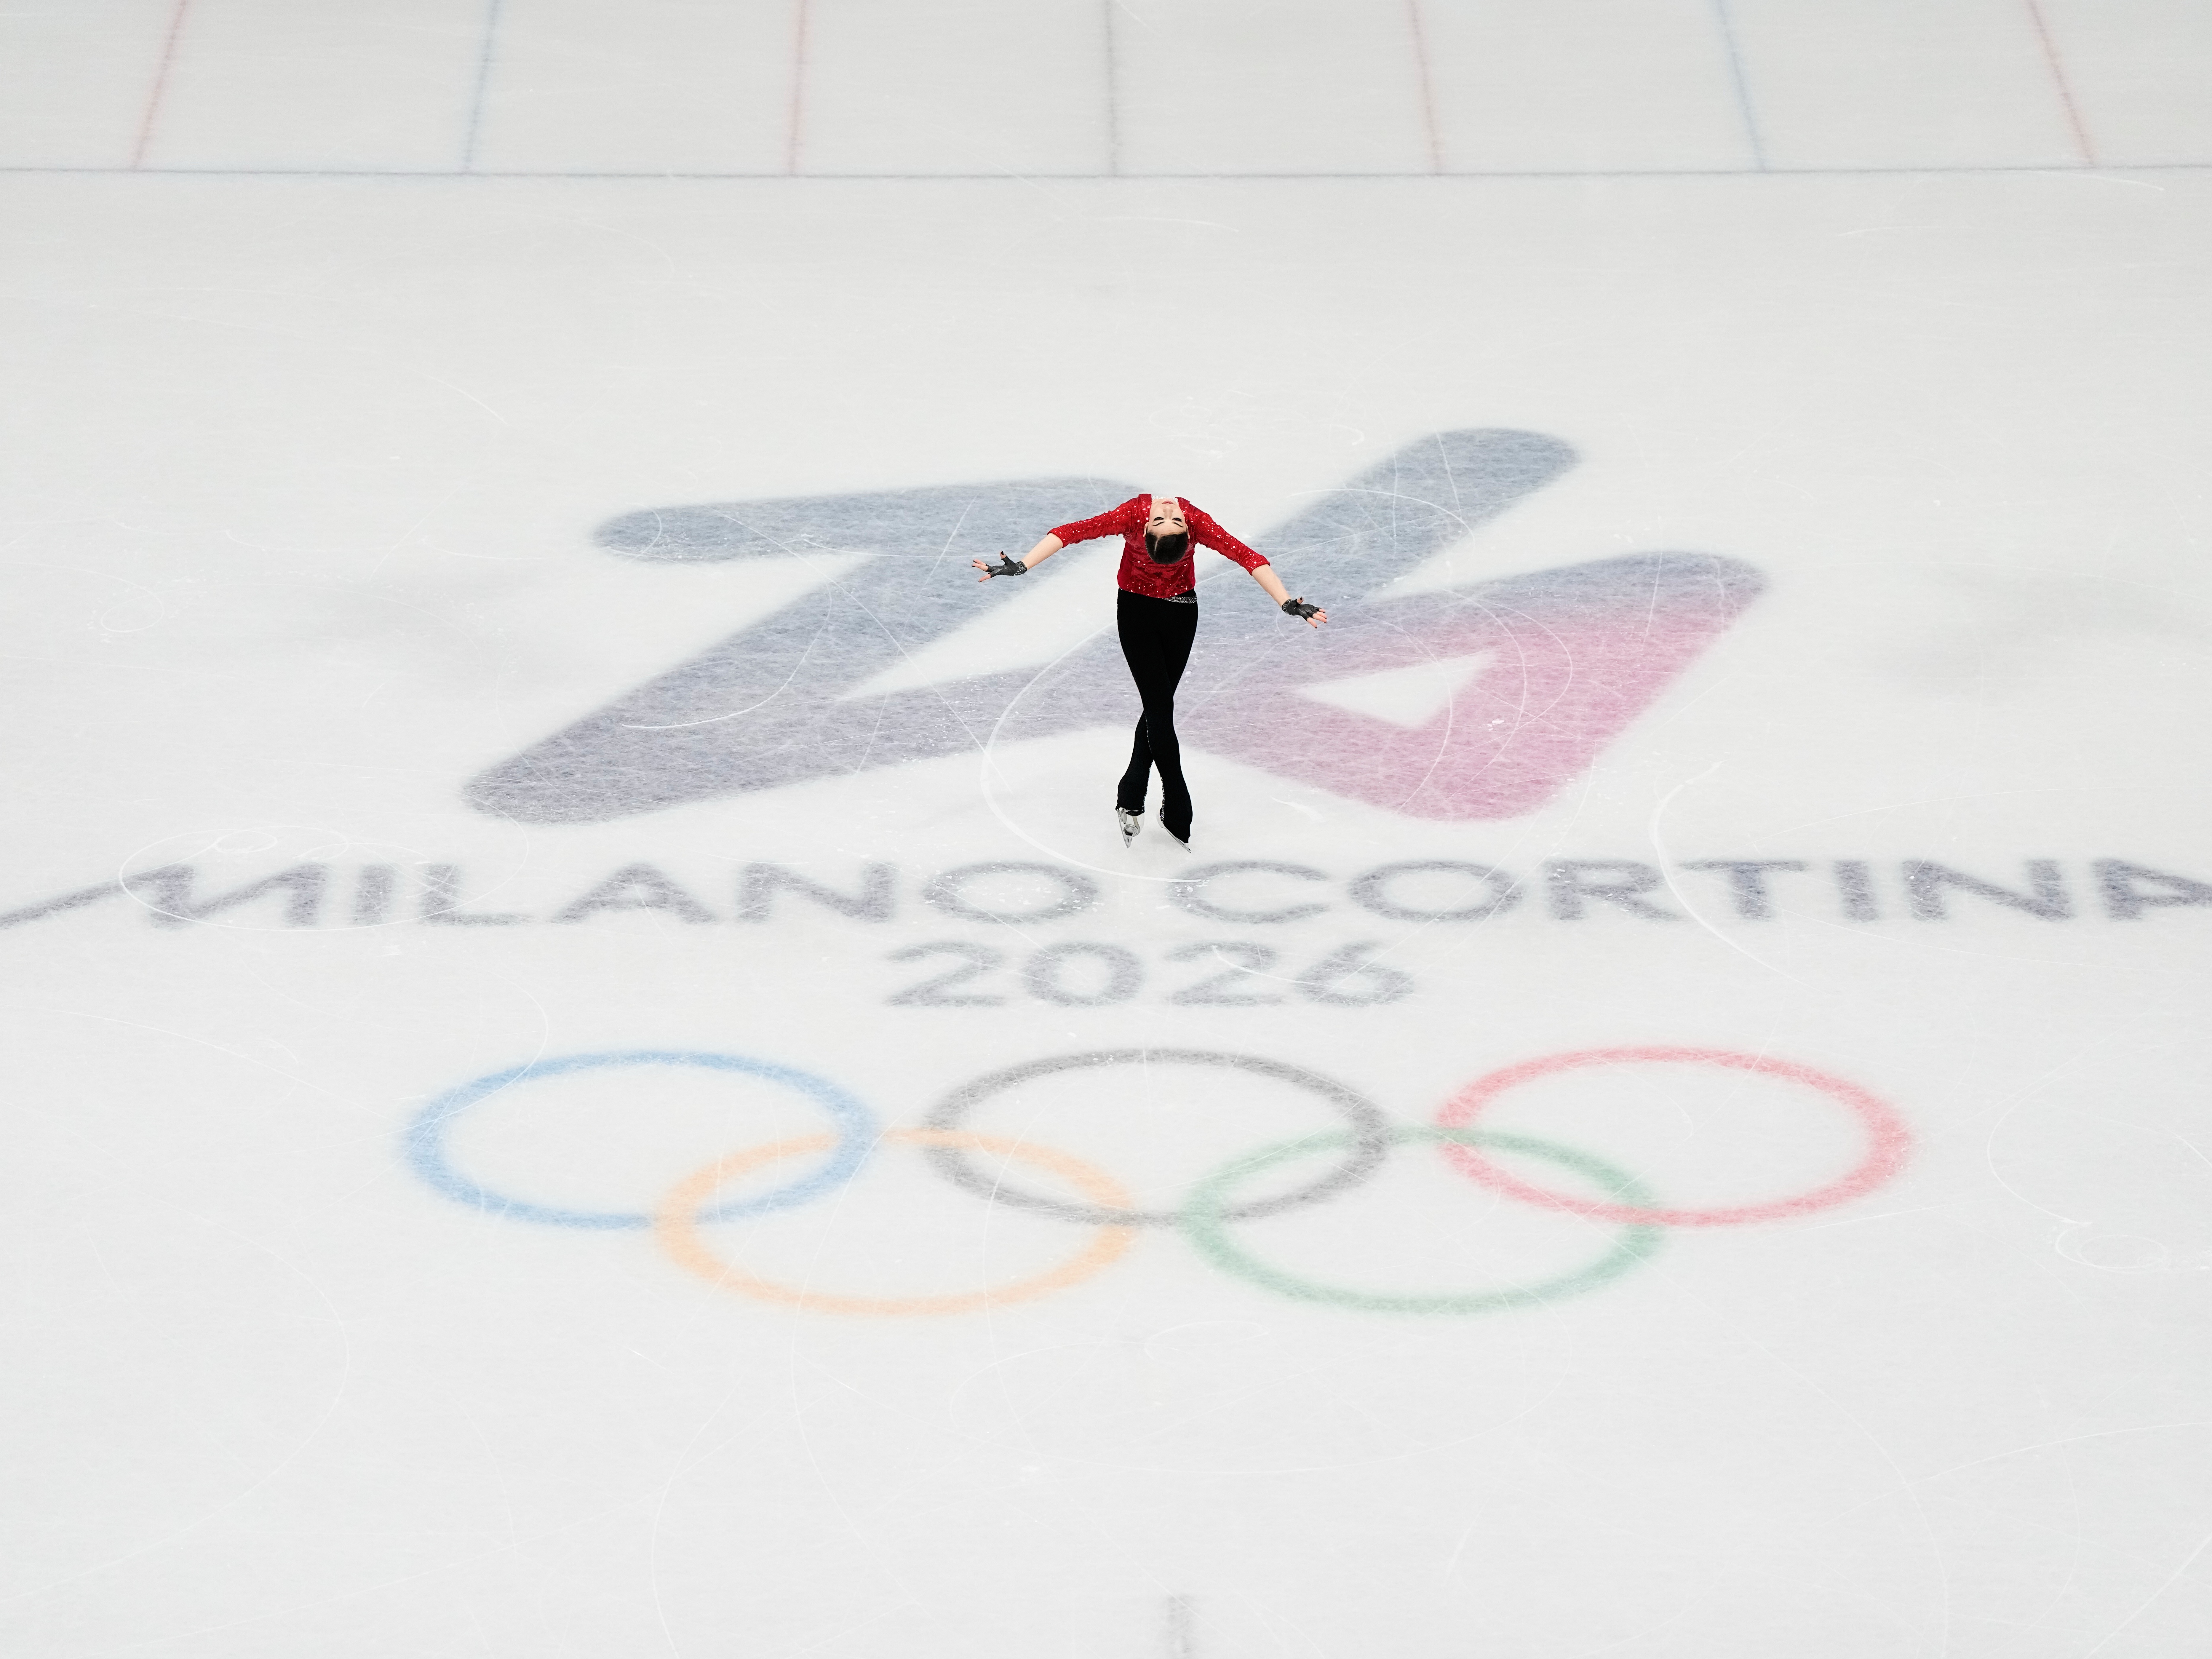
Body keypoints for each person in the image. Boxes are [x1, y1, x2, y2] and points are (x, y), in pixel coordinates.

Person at [973, 493, 1325, 848]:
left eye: (1171, 520)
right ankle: (1175, 799)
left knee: (1159, 707)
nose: (1170, 512)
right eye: (1164, 520)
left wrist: (1286, 603)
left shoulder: (1168, 519)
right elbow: (1071, 533)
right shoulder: (1136, 516)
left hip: (1181, 614)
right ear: (1146, 528)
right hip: (1136, 615)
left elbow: (1247, 557)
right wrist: (1023, 566)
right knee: (1160, 708)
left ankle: (1132, 790)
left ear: (1188, 534)